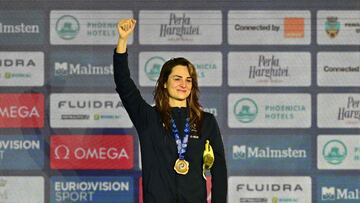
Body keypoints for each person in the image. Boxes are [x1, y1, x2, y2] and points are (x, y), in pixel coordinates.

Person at [113, 18, 227, 203]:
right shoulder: (148, 118)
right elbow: (124, 84)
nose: (183, 84)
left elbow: (219, 169)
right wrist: (122, 41)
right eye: (177, 79)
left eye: (188, 80)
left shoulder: (206, 121)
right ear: (165, 83)